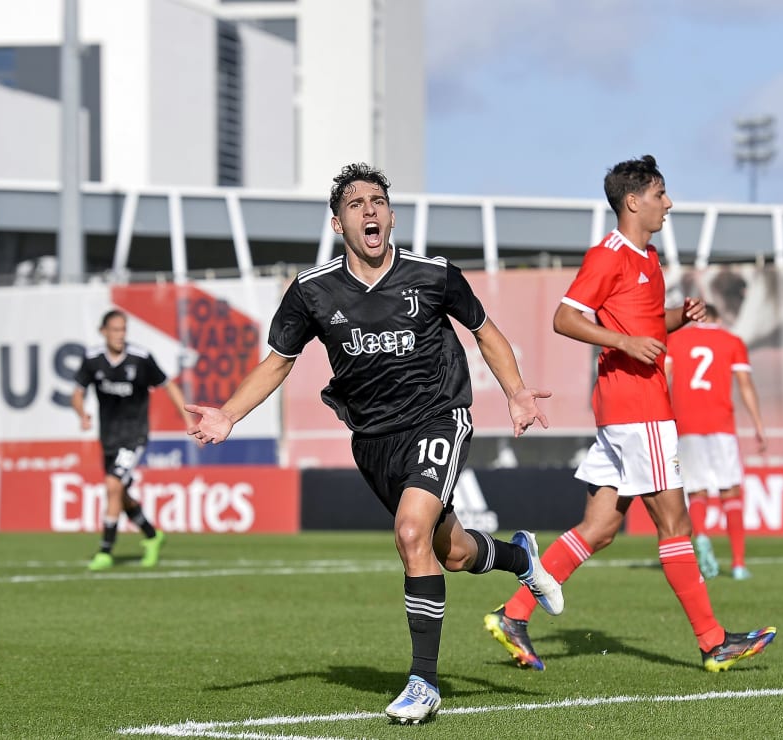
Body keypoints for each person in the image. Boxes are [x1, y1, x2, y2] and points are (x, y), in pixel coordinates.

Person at [187, 163, 563, 725]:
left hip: (438, 416)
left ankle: (424, 682)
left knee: (410, 531)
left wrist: (516, 394)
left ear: (390, 215)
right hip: (372, 440)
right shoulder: (312, 291)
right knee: (451, 551)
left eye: (378, 201)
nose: (369, 209)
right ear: (337, 222)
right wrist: (228, 415)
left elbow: (484, 331)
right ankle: (520, 556)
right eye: (356, 203)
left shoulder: (432, 275)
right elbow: (276, 364)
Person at [484, 155, 775, 673]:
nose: (669, 203)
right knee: (675, 523)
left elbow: (646, 328)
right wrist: (622, 340)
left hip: (623, 410)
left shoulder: (648, 257)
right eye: (661, 194)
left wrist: (677, 320)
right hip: (639, 409)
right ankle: (712, 642)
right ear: (633, 201)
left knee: (599, 528)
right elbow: (565, 317)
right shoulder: (610, 254)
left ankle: (514, 613)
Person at [72, 309, 192, 571]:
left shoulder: (140, 358)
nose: (119, 335)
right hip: (108, 438)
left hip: (134, 436)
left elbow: (168, 385)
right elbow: (77, 393)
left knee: (113, 485)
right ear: (103, 332)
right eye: (114, 330)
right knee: (120, 492)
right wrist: (82, 414)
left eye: (123, 330)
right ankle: (151, 535)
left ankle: (105, 550)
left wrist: (188, 419)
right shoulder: (93, 360)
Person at [665, 303, 767, 580]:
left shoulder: (676, 339)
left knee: (697, 492)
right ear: (718, 317)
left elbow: (665, 377)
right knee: (730, 492)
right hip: (721, 426)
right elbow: (745, 383)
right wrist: (758, 424)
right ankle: (737, 564)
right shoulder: (731, 341)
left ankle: (701, 537)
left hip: (686, 426)